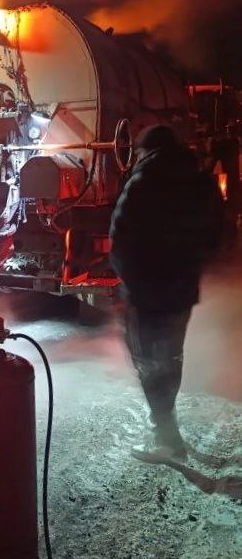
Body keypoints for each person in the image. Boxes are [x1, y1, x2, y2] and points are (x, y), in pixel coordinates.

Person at [109, 124, 224, 460]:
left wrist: (131, 284)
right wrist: (191, 267)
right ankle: (166, 423)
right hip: (182, 289)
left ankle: (167, 440)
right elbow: (218, 234)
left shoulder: (143, 183)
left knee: (148, 361)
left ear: (146, 150)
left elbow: (120, 241)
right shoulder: (201, 182)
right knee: (171, 356)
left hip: (147, 293)